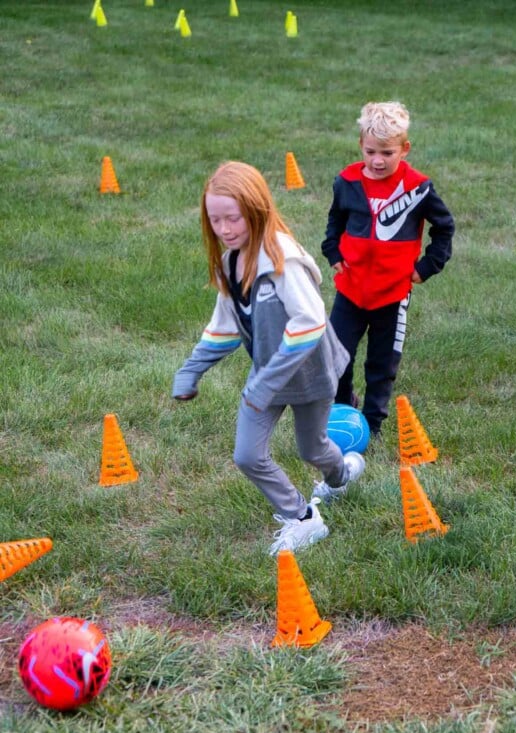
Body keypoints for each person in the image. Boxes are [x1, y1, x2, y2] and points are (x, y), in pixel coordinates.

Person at [172, 161, 365, 556]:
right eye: (215, 220)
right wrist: (191, 371)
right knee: (247, 455)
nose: (224, 230)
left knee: (312, 449)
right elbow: (224, 326)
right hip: (267, 380)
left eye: (233, 219)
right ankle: (303, 518)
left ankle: (340, 475)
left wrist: (265, 381)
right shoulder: (230, 262)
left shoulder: (283, 260)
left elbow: (309, 324)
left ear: (256, 210)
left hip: (311, 376)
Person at [322, 101, 455, 436]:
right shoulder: (347, 181)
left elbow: (444, 227)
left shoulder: (418, 188)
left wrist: (427, 266)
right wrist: (332, 249)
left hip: (392, 295)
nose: (377, 160)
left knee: (381, 365)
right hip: (350, 290)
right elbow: (335, 219)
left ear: (404, 149)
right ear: (360, 146)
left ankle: (373, 425)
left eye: (387, 152)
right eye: (370, 151)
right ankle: (342, 410)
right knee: (336, 359)